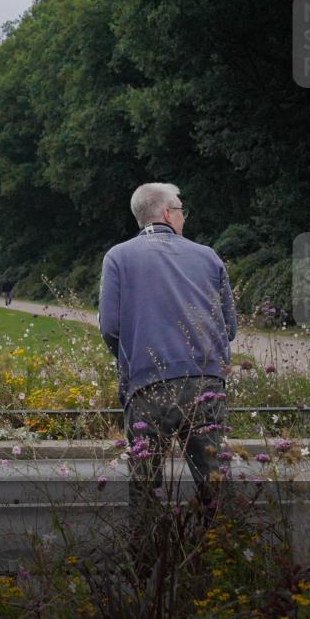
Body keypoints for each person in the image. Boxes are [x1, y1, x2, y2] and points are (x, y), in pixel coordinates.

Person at [98, 183, 237, 511]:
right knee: (215, 480)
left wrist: (133, 359)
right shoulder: (207, 256)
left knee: (146, 486)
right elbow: (229, 327)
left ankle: (150, 556)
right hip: (206, 382)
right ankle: (223, 551)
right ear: (166, 213)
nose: (183, 218)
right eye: (181, 210)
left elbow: (111, 328)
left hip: (149, 385)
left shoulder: (118, 257)